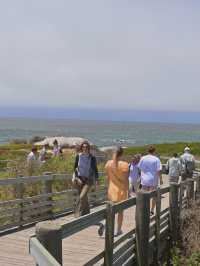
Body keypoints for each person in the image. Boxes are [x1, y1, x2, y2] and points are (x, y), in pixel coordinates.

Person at [98, 146, 129, 237]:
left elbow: (108, 178)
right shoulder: (125, 165)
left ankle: (104, 223)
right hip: (121, 191)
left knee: (111, 211)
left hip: (111, 190)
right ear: (122, 154)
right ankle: (118, 230)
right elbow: (126, 180)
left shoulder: (108, 163)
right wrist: (128, 192)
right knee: (120, 212)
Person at [73, 141, 99, 217]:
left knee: (82, 196)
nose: (85, 148)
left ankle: (78, 214)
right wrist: (77, 178)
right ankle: (87, 214)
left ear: (88, 148)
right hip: (80, 179)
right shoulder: (78, 156)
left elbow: (95, 169)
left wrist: (97, 179)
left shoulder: (92, 157)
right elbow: (75, 168)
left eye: (86, 147)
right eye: (83, 147)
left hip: (88, 179)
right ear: (81, 148)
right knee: (84, 197)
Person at [138, 146, 163, 216]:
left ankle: (144, 209)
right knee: (154, 196)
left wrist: (141, 176)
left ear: (147, 151)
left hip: (144, 180)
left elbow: (139, 168)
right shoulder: (156, 159)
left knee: (144, 195)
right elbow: (159, 170)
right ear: (154, 151)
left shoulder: (143, 158)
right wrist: (161, 179)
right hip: (153, 179)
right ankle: (151, 210)